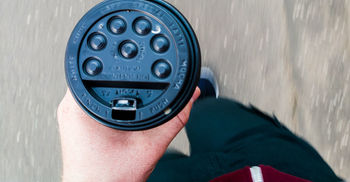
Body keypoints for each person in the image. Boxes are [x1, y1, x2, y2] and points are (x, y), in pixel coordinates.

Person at [57, 68, 343, 182]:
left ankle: (194, 103)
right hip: (279, 169)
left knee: (160, 166)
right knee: (211, 114)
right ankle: (199, 101)